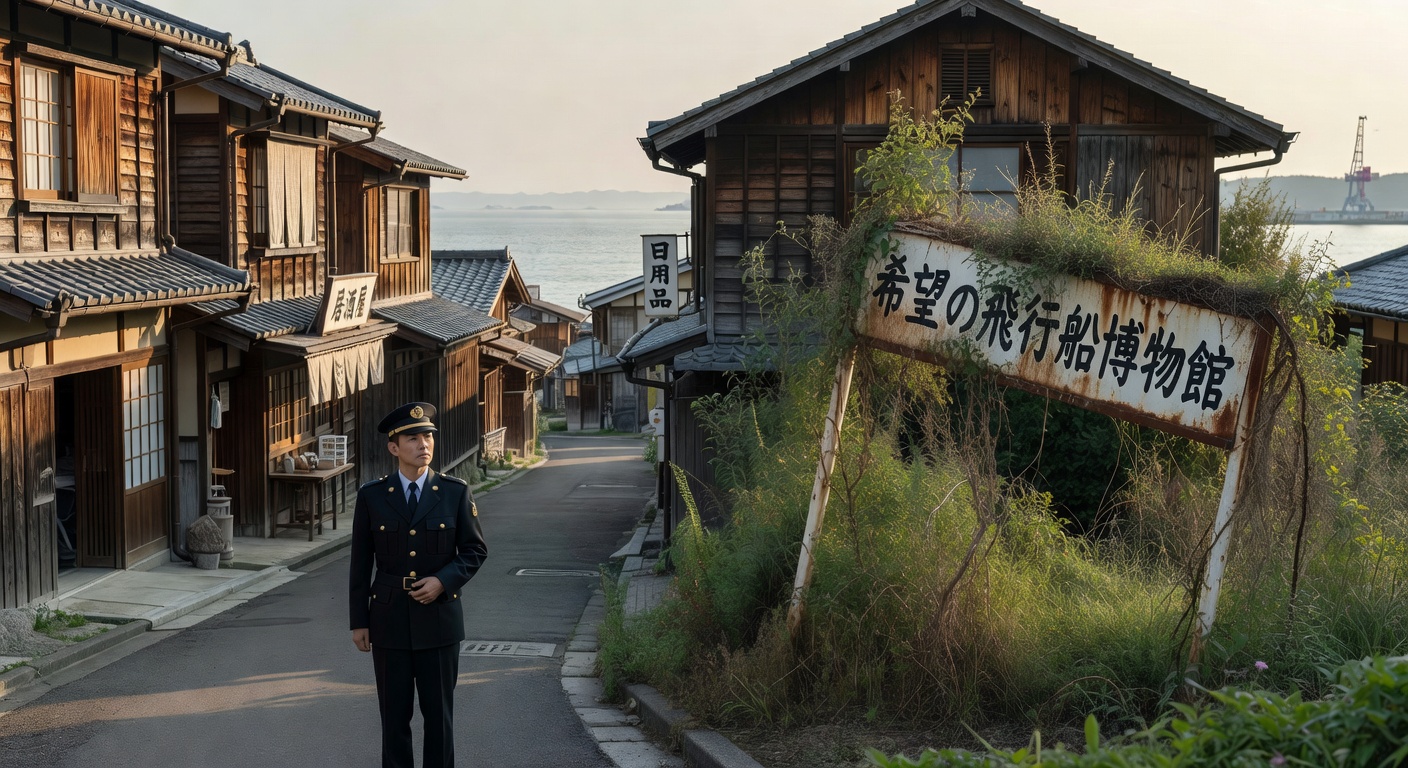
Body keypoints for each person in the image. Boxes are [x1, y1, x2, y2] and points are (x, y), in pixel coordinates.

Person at [349, 402, 488, 768]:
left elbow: (474, 551)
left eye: (428, 436)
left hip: (439, 622)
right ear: (394, 447)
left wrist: (443, 581)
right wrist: (358, 621)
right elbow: (360, 564)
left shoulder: (455, 492)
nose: (424, 444)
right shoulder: (372, 496)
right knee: (393, 719)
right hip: (389, 621)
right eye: (413, 438)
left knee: (439, 719)